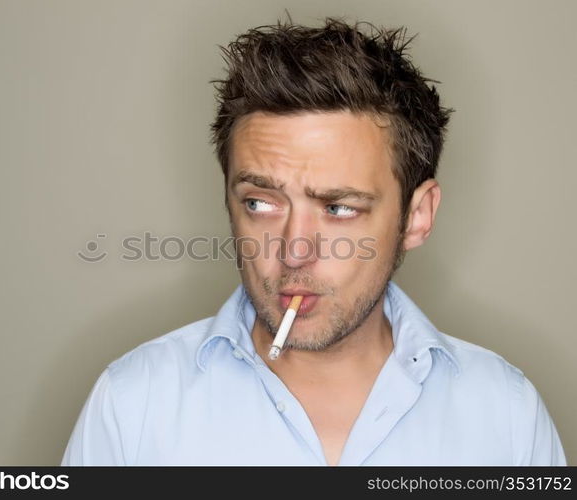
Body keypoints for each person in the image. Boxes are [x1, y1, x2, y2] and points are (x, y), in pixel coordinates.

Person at [61, 16, 566, 466]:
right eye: (260, 203)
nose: (293, 252)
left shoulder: (505, 413)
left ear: (416, 217)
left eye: (339, 208)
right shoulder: (134, 404)